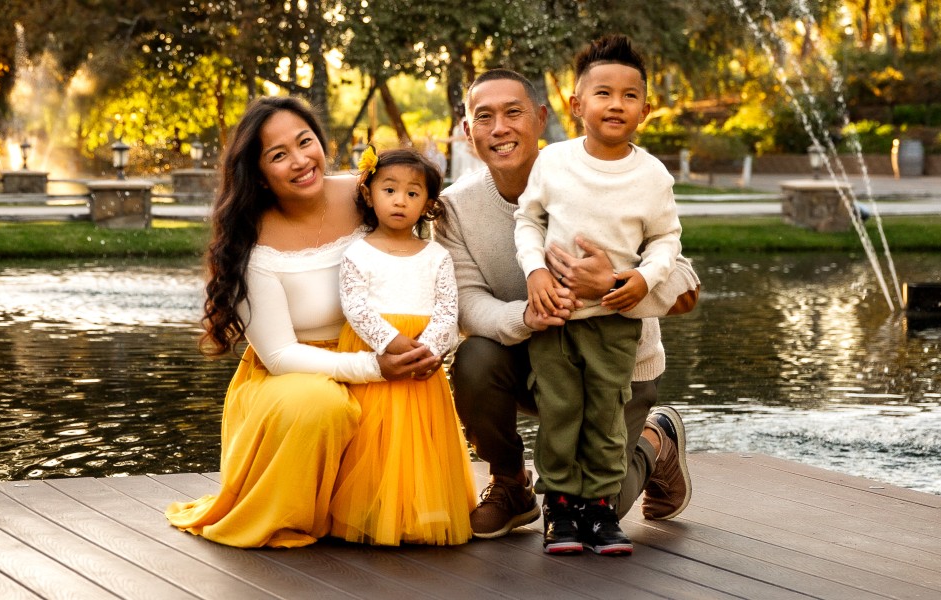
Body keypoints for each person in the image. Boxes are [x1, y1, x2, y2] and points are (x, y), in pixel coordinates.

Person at [434, 67, 699, 550]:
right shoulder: (454, 208)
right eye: (484, 117)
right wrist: (525, 317)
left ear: (540, 118)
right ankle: (512, 484)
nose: (500, 129)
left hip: (618, 364)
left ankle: (657, 441)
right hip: (532, 354)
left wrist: (615, 284)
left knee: (601, 506)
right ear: (467, 132)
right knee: (472, 359)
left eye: (513, 113)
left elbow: (685, 285)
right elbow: (466, 303)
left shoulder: (604, 173)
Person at [164, 96, 441, 549]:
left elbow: (425, 248)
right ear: (258, 174)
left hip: (378, 350)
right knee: (321, 404)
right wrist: (373, 367)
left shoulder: (368, 194)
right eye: (279, 155)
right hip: (292, 376)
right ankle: (296, 512)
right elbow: (278, 354)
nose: (300, 161)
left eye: (304, 142)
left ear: (321, 141)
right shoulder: (249, 239)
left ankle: (366, 510)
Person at [513, 34, 682, 555]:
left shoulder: (651, 175)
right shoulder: (554, 162)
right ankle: (560, 509)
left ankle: (602, 510)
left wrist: (641, 280)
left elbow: (666, 240)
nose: (616, 104)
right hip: (558, 317)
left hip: (614, 319)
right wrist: (536, 273)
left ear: (646, 110)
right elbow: (527, 221)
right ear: (576, 104)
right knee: (561, 411)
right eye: (603, 93)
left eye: (630, 96)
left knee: (607, 416)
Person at [329, 146, 475, 546]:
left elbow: (448, 310)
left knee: (419, 441)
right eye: (389, 189)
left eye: (413, 193)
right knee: (371, 439)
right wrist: (391, 342)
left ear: (427, 205)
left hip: (421, 361)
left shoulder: (437, 256)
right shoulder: (357, 252)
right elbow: (355, 305)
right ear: (369, 194)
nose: (400, 200)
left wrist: (428, 348)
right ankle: (369, 511)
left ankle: (418, 513)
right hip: (375, 352)